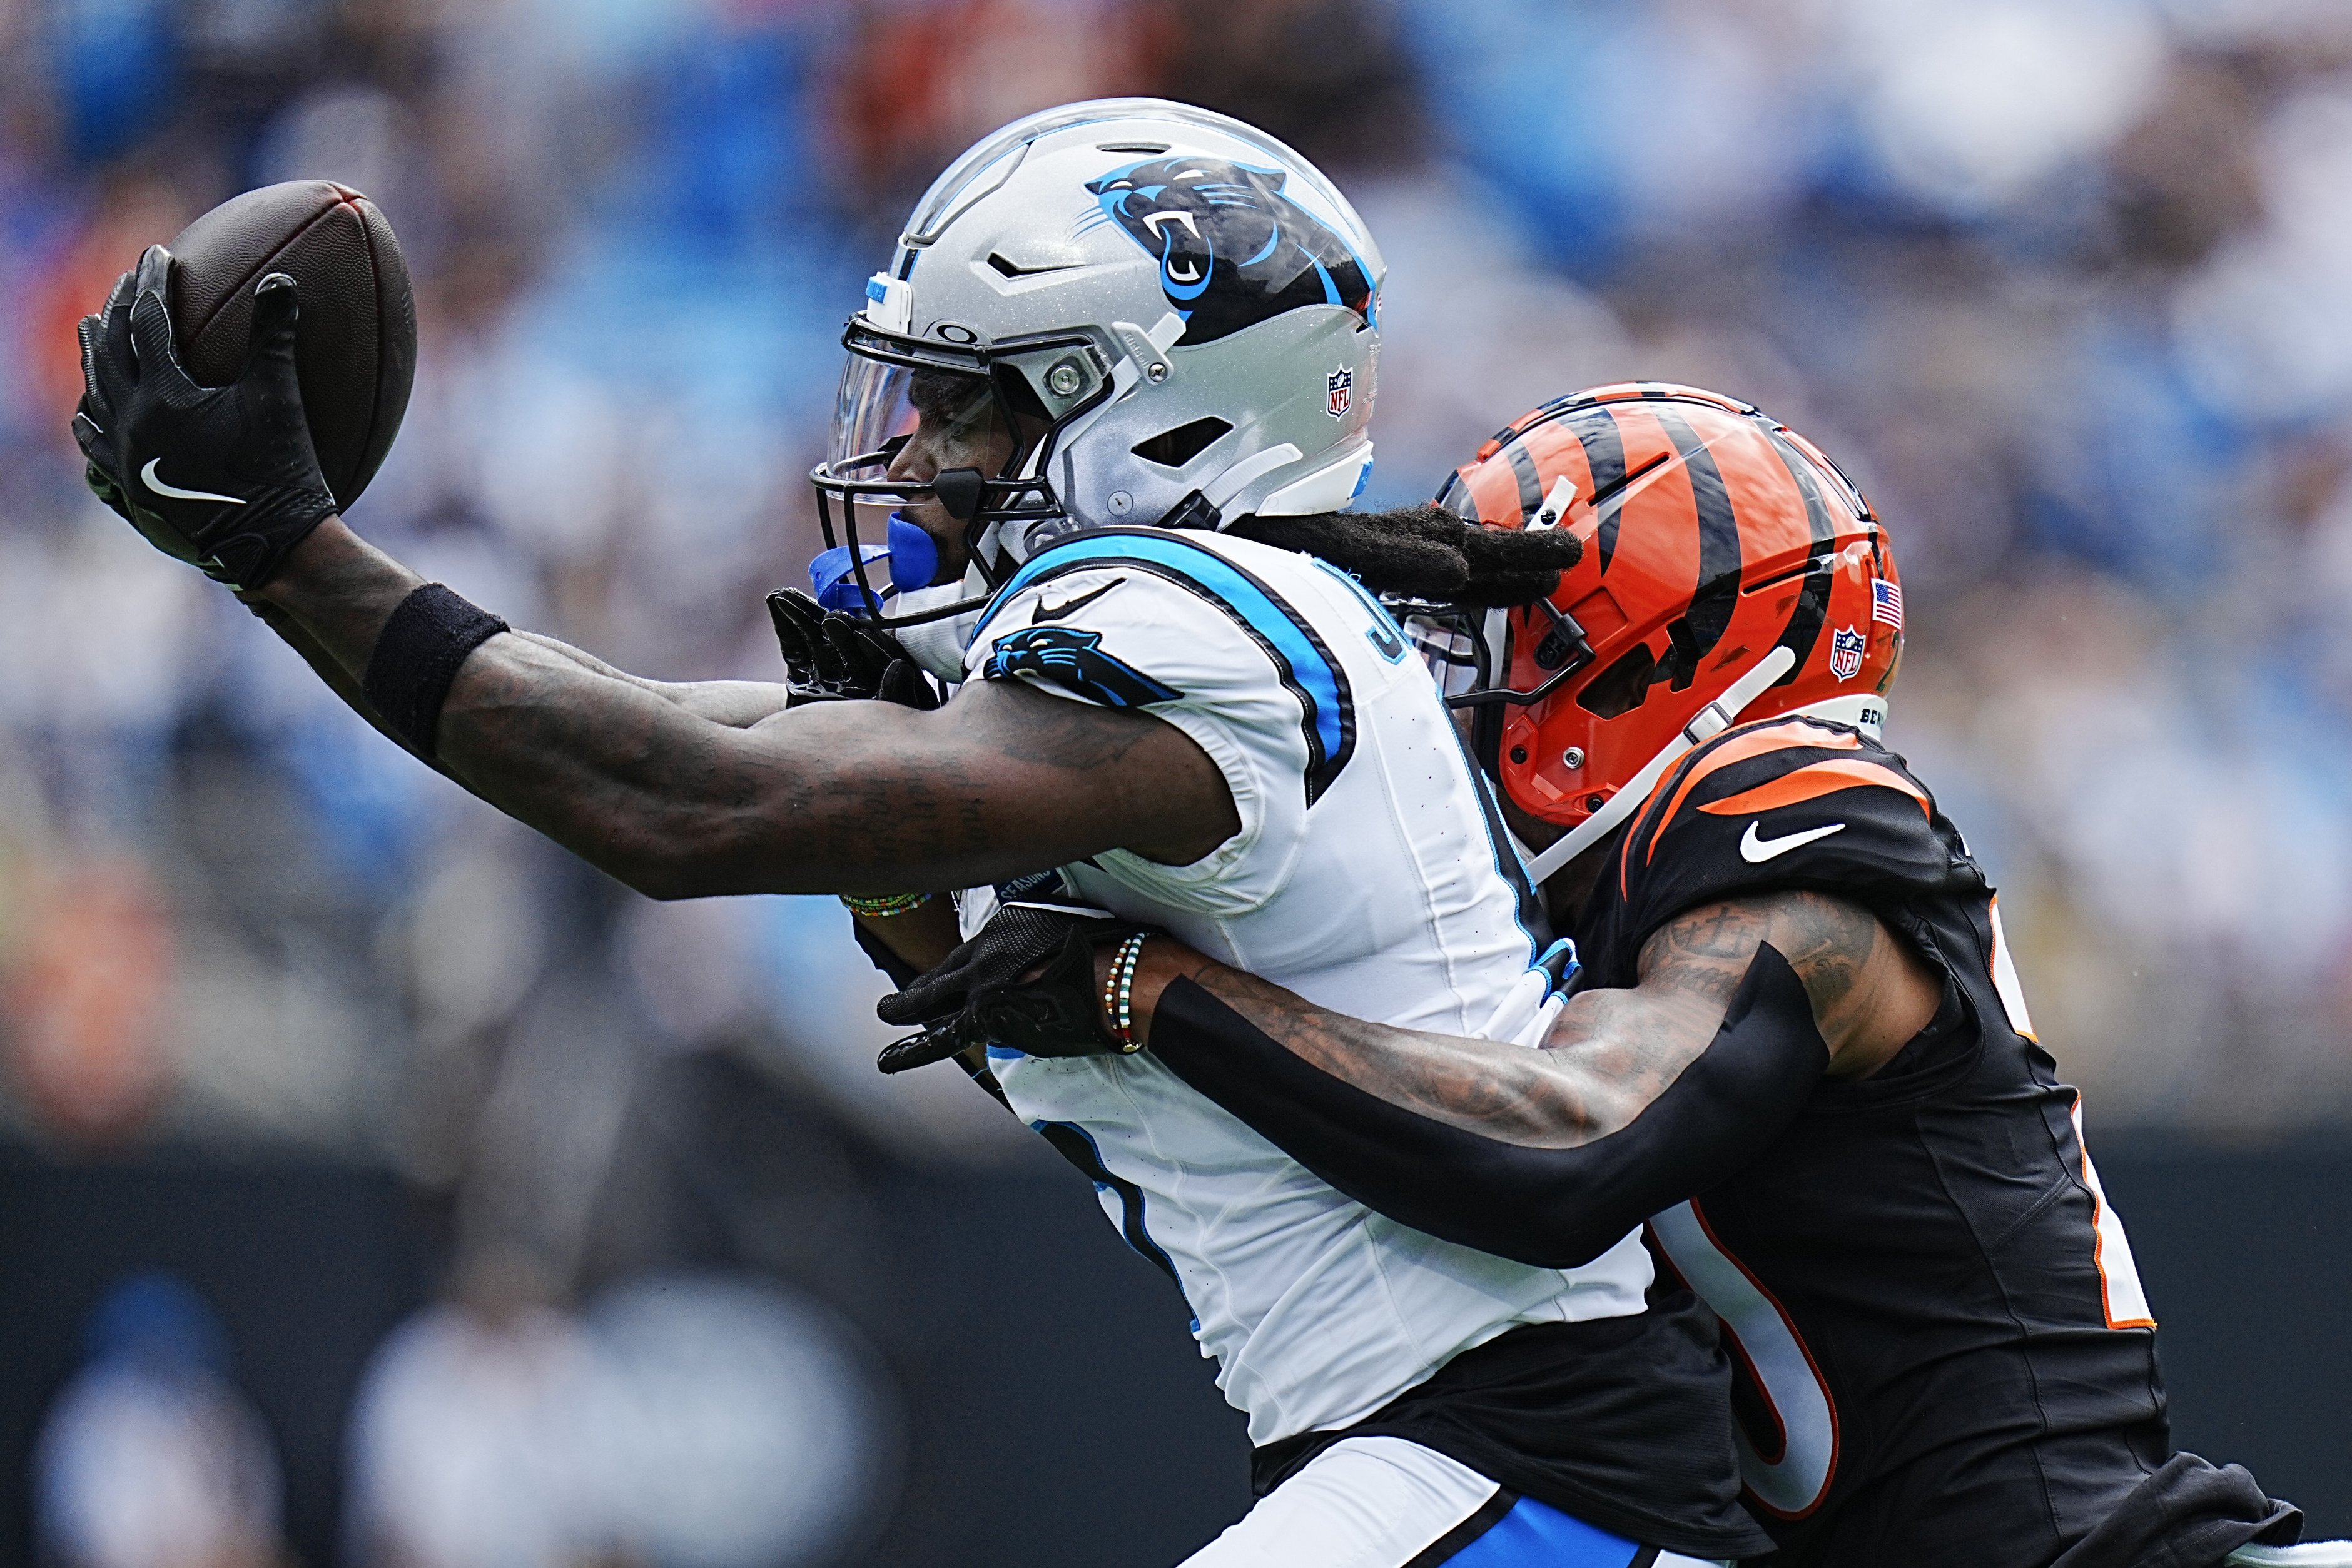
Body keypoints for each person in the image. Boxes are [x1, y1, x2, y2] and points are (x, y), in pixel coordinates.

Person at [71, 103, 1765, 1566]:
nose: (928, 460)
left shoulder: (1210, 620)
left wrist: (287, 552)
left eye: (982, 408)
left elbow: (674, 798)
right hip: (1478, 1462)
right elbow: (652, 740)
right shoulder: (1177, 671)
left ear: (1158, 415)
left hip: (1530, 1459)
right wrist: (290, 579)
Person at [887, 383, 2326, 1568]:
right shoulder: (1582, 912)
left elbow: (1566, 1148)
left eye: (1495, 645)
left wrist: (1152, 983)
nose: (1451, 688)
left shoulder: (1787, 814)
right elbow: (1227, 1104)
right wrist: (903, 871)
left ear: (1648, 651)